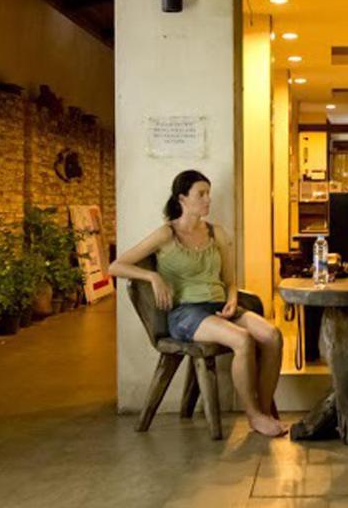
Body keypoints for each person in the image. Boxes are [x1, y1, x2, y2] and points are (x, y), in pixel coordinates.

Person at [109, 170, 287, 437]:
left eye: (208, 193)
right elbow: (116, 266)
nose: (208, 199)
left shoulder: (217, 233)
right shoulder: (166, 234)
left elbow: (229, 279)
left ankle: (262, 410)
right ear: (182, 198)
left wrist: (233, 299)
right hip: (186, 313)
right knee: (243, 340)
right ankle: (253, 416)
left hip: (219, 307)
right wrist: (152, 275)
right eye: (201, 194)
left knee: (272, 335)